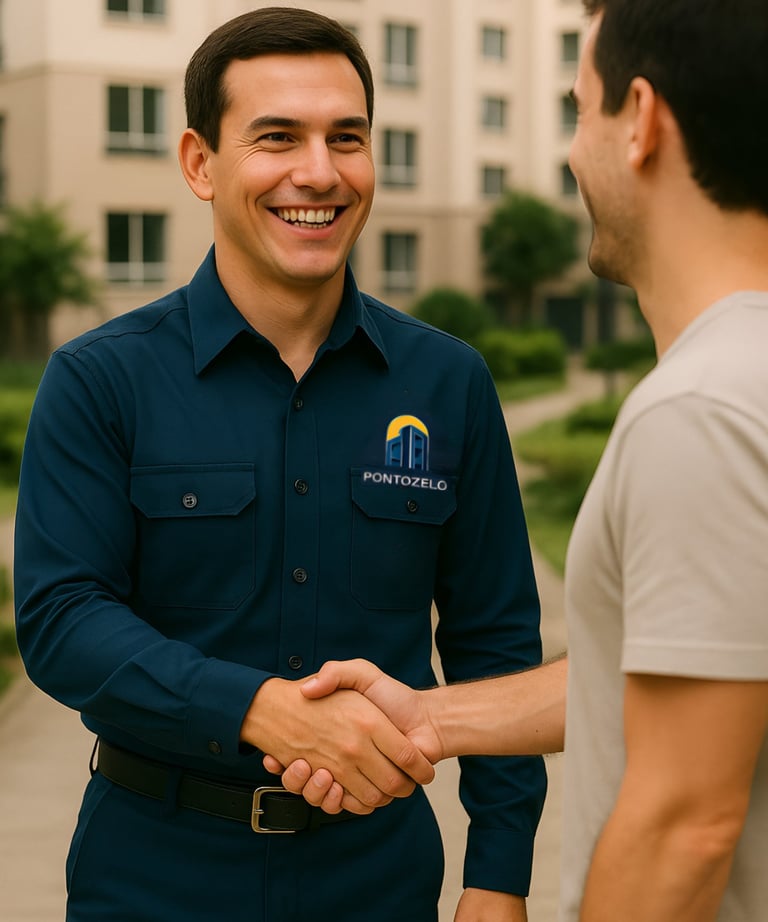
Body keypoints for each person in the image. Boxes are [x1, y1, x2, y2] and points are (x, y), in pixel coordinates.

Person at [12, 7, 546, 921]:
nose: (320, 173)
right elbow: (62, 620)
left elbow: (494, 643)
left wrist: (498, 876)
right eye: (277, 138)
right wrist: (261, 708)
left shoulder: (447, 382)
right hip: (153, 876)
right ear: (199, 163)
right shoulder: (102, 380)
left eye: (348, 137)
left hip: (379, 878)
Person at [272, 2, 768, 921]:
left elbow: (681, 828)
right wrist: (433, 718)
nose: (572, 154)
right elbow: (700, 669)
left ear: (644, 122)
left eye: (579, 110)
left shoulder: (701, 412)